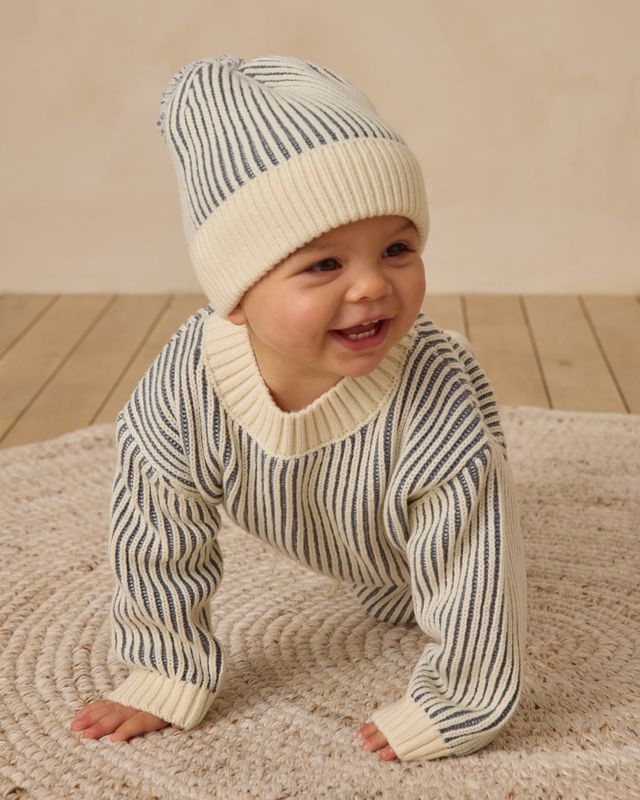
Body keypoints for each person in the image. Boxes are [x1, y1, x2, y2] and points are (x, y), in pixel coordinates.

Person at [69, 54, 528, 763]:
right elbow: (156, 534)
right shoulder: (186, 388)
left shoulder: (438, 403)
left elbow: (475, 560)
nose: (373, 285)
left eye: (398, 248)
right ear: (238, 291)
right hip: (326, 511)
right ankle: (380, 578)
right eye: (323, 264)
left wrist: (461, 702)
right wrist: (162, 669)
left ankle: (395, 575)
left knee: (434, 562)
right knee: (370, 577)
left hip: (402, 509)